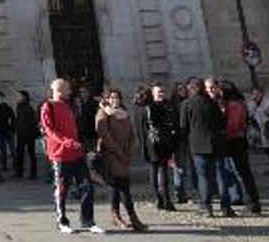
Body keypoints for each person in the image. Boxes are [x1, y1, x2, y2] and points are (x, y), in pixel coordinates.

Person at [41, 78, 103, 235]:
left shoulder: (69, 106)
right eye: (67, 88)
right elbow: (49, 131)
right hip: (60, 155)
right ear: (59, 90)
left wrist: (79, 144)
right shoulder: (48, 106)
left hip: (76, 153)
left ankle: (88, 221)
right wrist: (66, 142)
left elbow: (74, 128)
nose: (70, 91)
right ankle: (62, 222)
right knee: (62, 189)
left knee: (87, 185)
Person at [180, 77, 234, 218]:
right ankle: (226, 207)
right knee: (220, 175)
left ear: (191, 89)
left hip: (198, 146)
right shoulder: (211, 102)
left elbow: (183, 127)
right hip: (216, 144)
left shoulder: (186, 104)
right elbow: (222, 123)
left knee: (203, 176)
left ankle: (206, 206)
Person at [96, 87, 147, 232]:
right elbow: (104, 136)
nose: (115, 100)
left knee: (119, 188)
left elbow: (132, 134)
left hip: (124, 155)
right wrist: (119, 153)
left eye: (117, 97)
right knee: (121, 188)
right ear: (107, 99)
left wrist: (130, 151)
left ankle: (118, 215)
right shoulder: (103, 113)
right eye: (111, 97)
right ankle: (131, 218)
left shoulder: (124, 114)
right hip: (111, 155)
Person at [222, 82, 261, 214]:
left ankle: (251, 202)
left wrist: (224, 134)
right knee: (244, 172)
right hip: (240, 139)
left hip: (233, 141)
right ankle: (252, 201)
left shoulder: (232, 105)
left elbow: (232, 125)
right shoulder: (241, 103)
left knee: (238, 172)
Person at [146, 81, 180, 211]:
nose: (161, 94)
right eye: (158, 92)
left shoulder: (168, 105)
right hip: (155, 143)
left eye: (162, 91)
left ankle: (165, 199)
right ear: (153, 93)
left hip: (166, 142)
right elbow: (150, 126)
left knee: (164, 172)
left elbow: (173, 121)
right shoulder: (150, 107)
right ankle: (160, 199)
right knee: (156, 171)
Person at [13, 90, 39, 179]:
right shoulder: (19, 107)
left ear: (24, 97)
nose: (17, 98)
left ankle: (33, 173)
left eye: (18, 96)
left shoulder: (28, 108)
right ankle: (19, 171)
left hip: (28, 135)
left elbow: (32, 122)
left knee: (31, 153)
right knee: (19, 153)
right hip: (20, 134)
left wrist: (27, 131)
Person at [0, 91, 16, 173]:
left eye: (2, 98)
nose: (1, 100)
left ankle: (16, 164)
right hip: (0, 131)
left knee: (12, 148)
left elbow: (13, 118)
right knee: (2, 149)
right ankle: (4, 165)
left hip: (8, 130)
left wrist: (12, 128)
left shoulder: (8, 108)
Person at [76, 85, 100, 152]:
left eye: (84, 91)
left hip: (91, 133)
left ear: (88, 92)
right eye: (80, 92)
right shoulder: (78, 103)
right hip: (81, 134)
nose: (82, 94)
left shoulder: (94, 103)